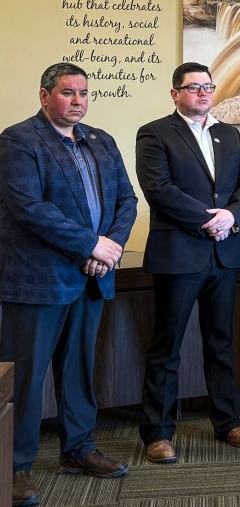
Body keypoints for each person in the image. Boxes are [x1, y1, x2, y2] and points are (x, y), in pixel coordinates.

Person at [0, 63, 137, 507]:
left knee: (78, 371)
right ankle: (13, 466)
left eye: (83, 93)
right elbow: (30, 208)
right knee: (24, 379)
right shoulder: (18, 141)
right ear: (44, 96)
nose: (77, 100)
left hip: (92, 276)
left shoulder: (101, 140)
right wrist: (91, 247)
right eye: (66, 93)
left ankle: (77, 449)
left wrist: (111, 246)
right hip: (38, 280)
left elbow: (126, 199)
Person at [136, 62, 240, 464]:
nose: (203, 93)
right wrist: (209, 218)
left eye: (208, 86)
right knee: (167, 346)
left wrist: (232, 216)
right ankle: (157, 433)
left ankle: (229, 422)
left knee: (221, 342)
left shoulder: (229, 133)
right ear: (175, 94)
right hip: (180, 254)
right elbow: (158, 189)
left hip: (224, 254)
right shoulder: (155, 132)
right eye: (193, 88)